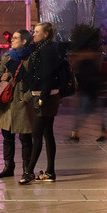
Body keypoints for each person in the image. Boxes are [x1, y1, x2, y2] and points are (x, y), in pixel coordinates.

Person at [0, 29, 37, 183]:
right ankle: (8, 167)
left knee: (25, 137)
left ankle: (27, 170)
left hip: (22, 102)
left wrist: (27, 96)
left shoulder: (31, 58)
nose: (12, 40)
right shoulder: (7, 56)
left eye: (16, 38)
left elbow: (36, 81)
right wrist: (1, 77)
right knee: (7, 136)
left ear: (24, 41)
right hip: (7, 102)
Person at [29, 22, 66, 181]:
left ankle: (28, 171)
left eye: (37, 32)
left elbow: (47, 76)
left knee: (37, 134)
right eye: (34, 31)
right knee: (47, 133)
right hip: (46, 95)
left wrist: (42, 97)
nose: (34, 34)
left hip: (46, 97)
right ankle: (50, 171)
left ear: (45, 34)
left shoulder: (47, 50)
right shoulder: (42, 49)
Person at [69, 27, 107, 143]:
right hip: (93, 90)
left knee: (82, 113)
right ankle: (103, 132)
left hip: (89, 91)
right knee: (95, 113)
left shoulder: (86, 62)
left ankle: (75, 133)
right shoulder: (91, 61)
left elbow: (85, 77)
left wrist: (82, 89)